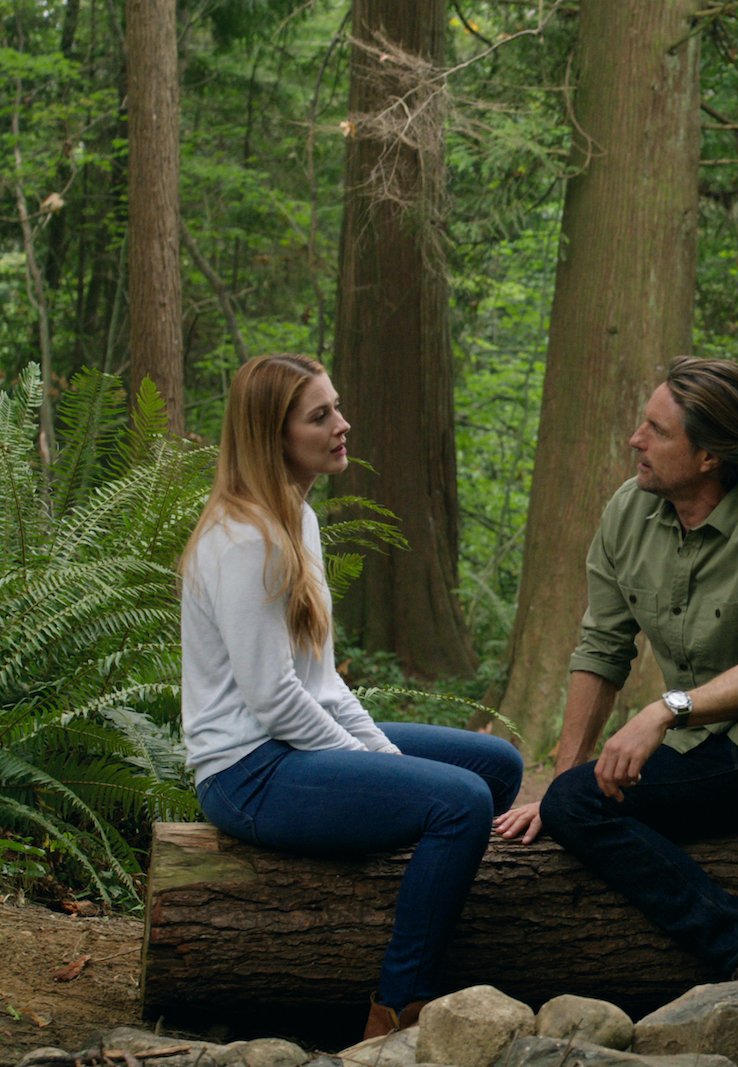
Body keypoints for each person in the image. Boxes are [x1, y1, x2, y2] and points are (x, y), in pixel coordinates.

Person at [179, 354, 523, 1040]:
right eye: (320, 416)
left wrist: (384, 756)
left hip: (291, 747)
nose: (342, 424)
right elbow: (274, 700)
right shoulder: (243, 539)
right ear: (273, 436)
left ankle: (409, 894)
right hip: (246, 772)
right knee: (460, 802)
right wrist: (378, 766)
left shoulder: (296, 518)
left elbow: (322, 681)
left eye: (335, 407)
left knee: (496, 766)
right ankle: (397, 1007)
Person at [495, 356, 738, 981]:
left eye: (657, 431)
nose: (635, 440)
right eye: (643, 423)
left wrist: (666, 710)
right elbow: (602, 649)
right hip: (713, 753)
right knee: (572, 804)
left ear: (709, 457)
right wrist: (562, 783)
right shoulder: (627, 512)